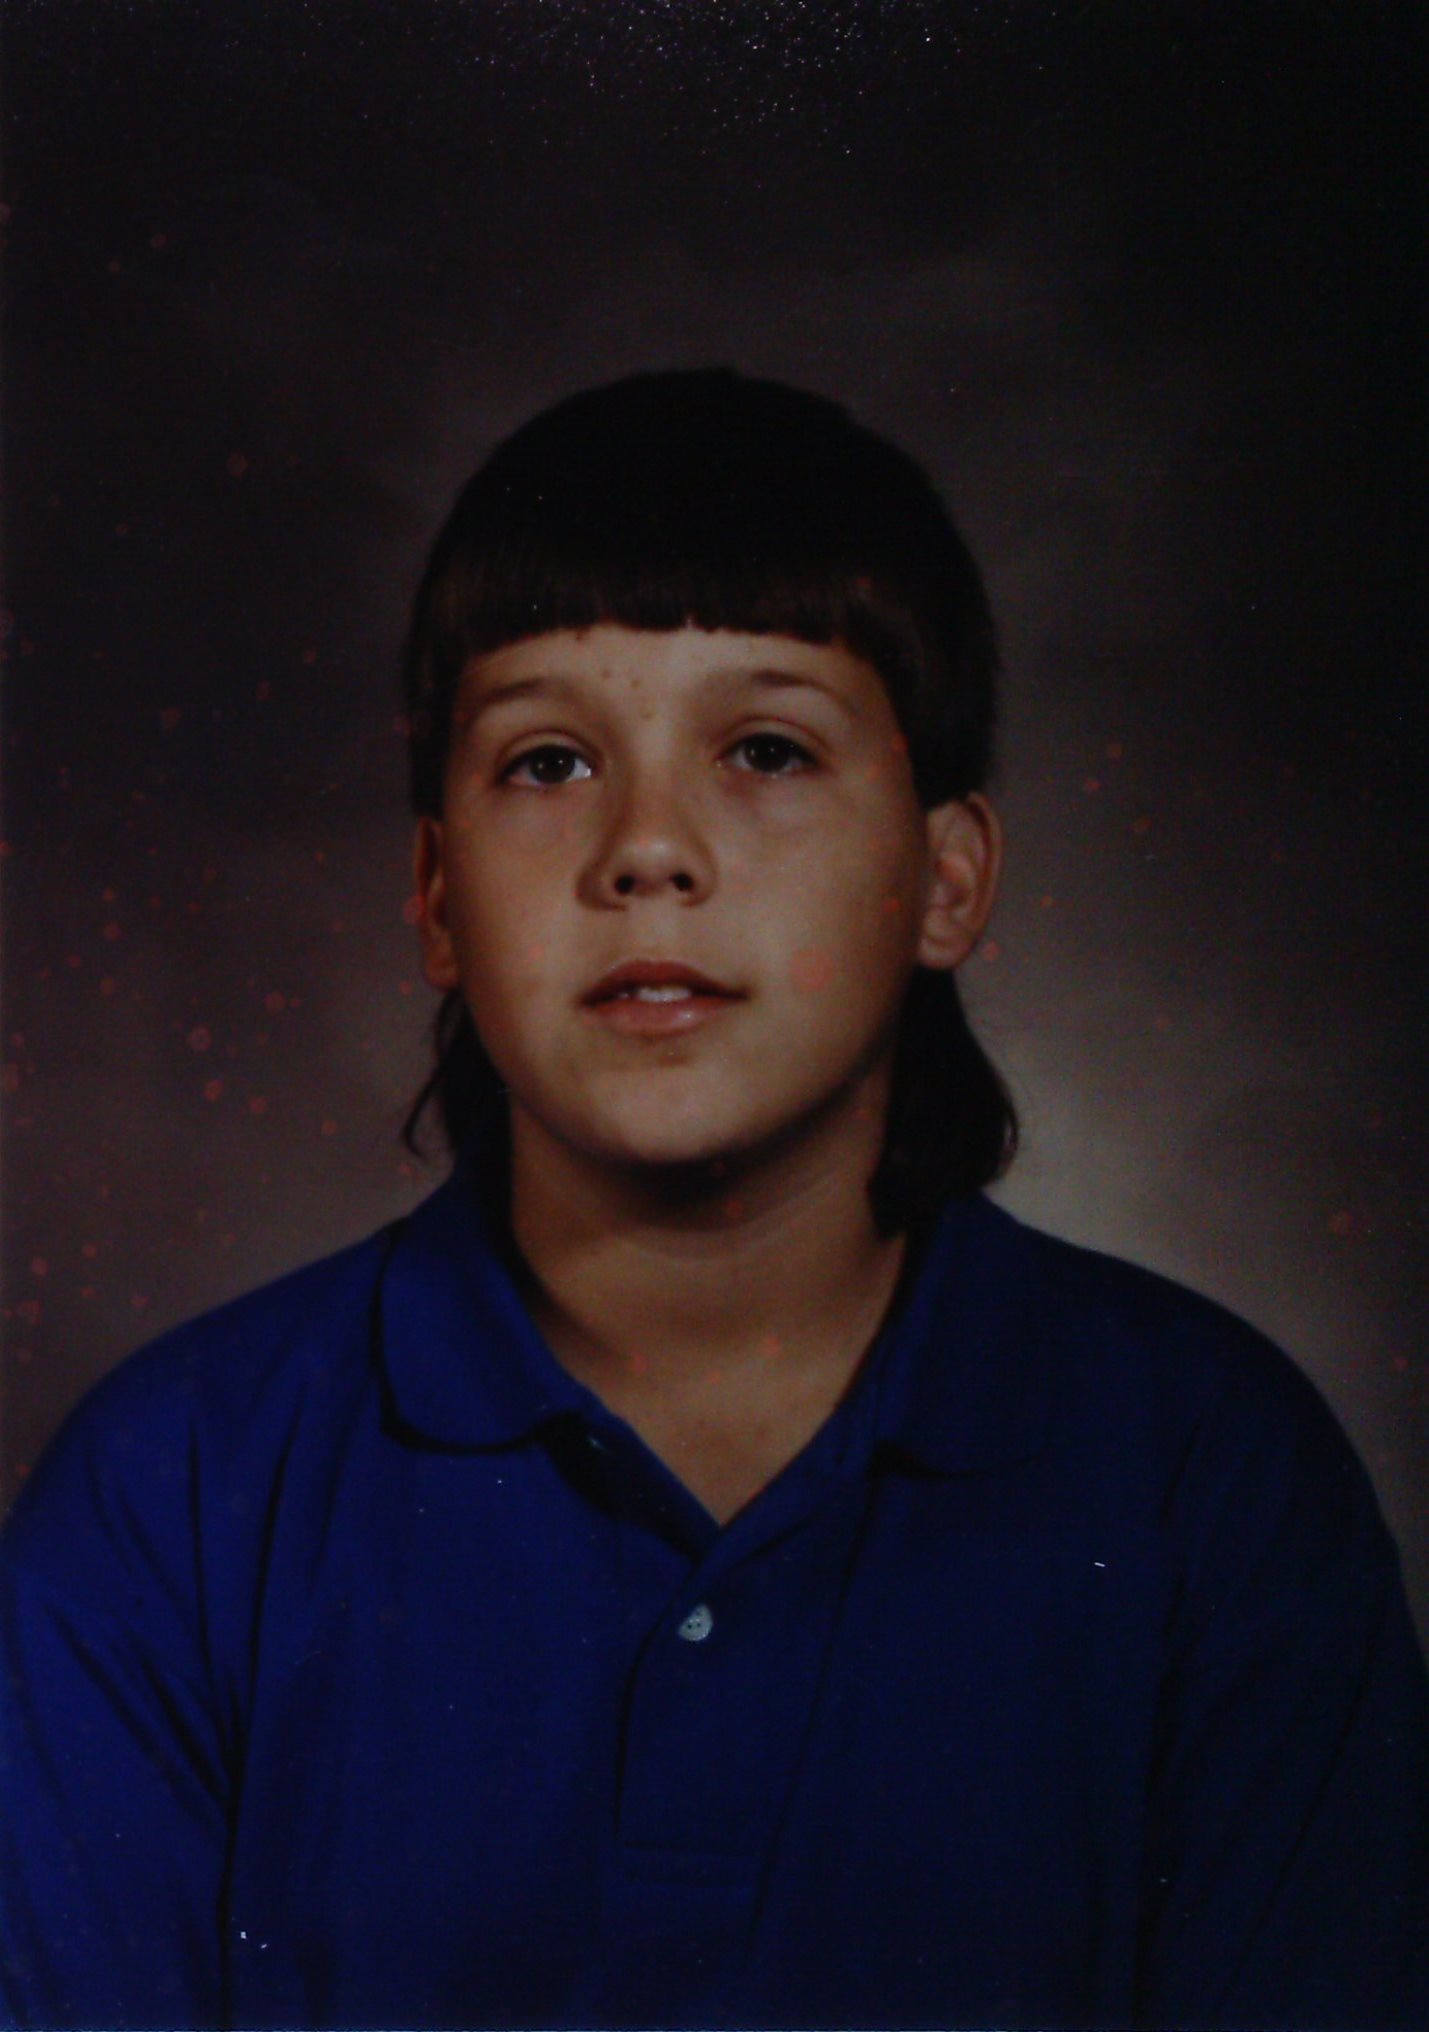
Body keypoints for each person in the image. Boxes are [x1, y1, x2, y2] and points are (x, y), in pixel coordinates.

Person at [2, 369, 1426, 2032]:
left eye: (764, 748)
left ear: (947, 876)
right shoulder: (175, 1496)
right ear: (437, 896)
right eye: (547, 760)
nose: (648, 850)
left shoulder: (1209, 1478)